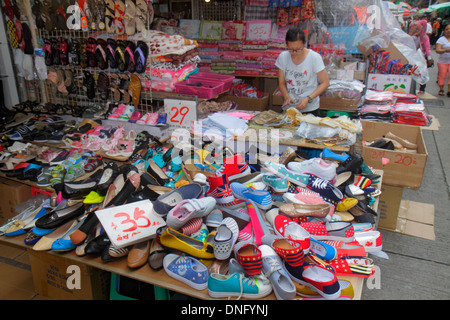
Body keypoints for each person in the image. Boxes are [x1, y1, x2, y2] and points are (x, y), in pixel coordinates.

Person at [275, 27, 329, 115]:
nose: (295, 53)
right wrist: (286, 96)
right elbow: (281, 83)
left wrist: (308, 98)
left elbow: (325, 82)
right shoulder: (283, 57)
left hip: (311, 109)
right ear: (287, 45)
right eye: (291, 50)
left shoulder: (314, 58)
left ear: (304, 44)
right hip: (289, 108)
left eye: (298, 49)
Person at [435, 23, 450, 96]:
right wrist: (445, 50)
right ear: (444, 31)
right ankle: (441, 89)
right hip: (443, 62)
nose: (448, 31)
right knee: (442, 75)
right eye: (447, 29)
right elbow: (437, 50)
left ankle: (449, 90)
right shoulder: (441, 40)